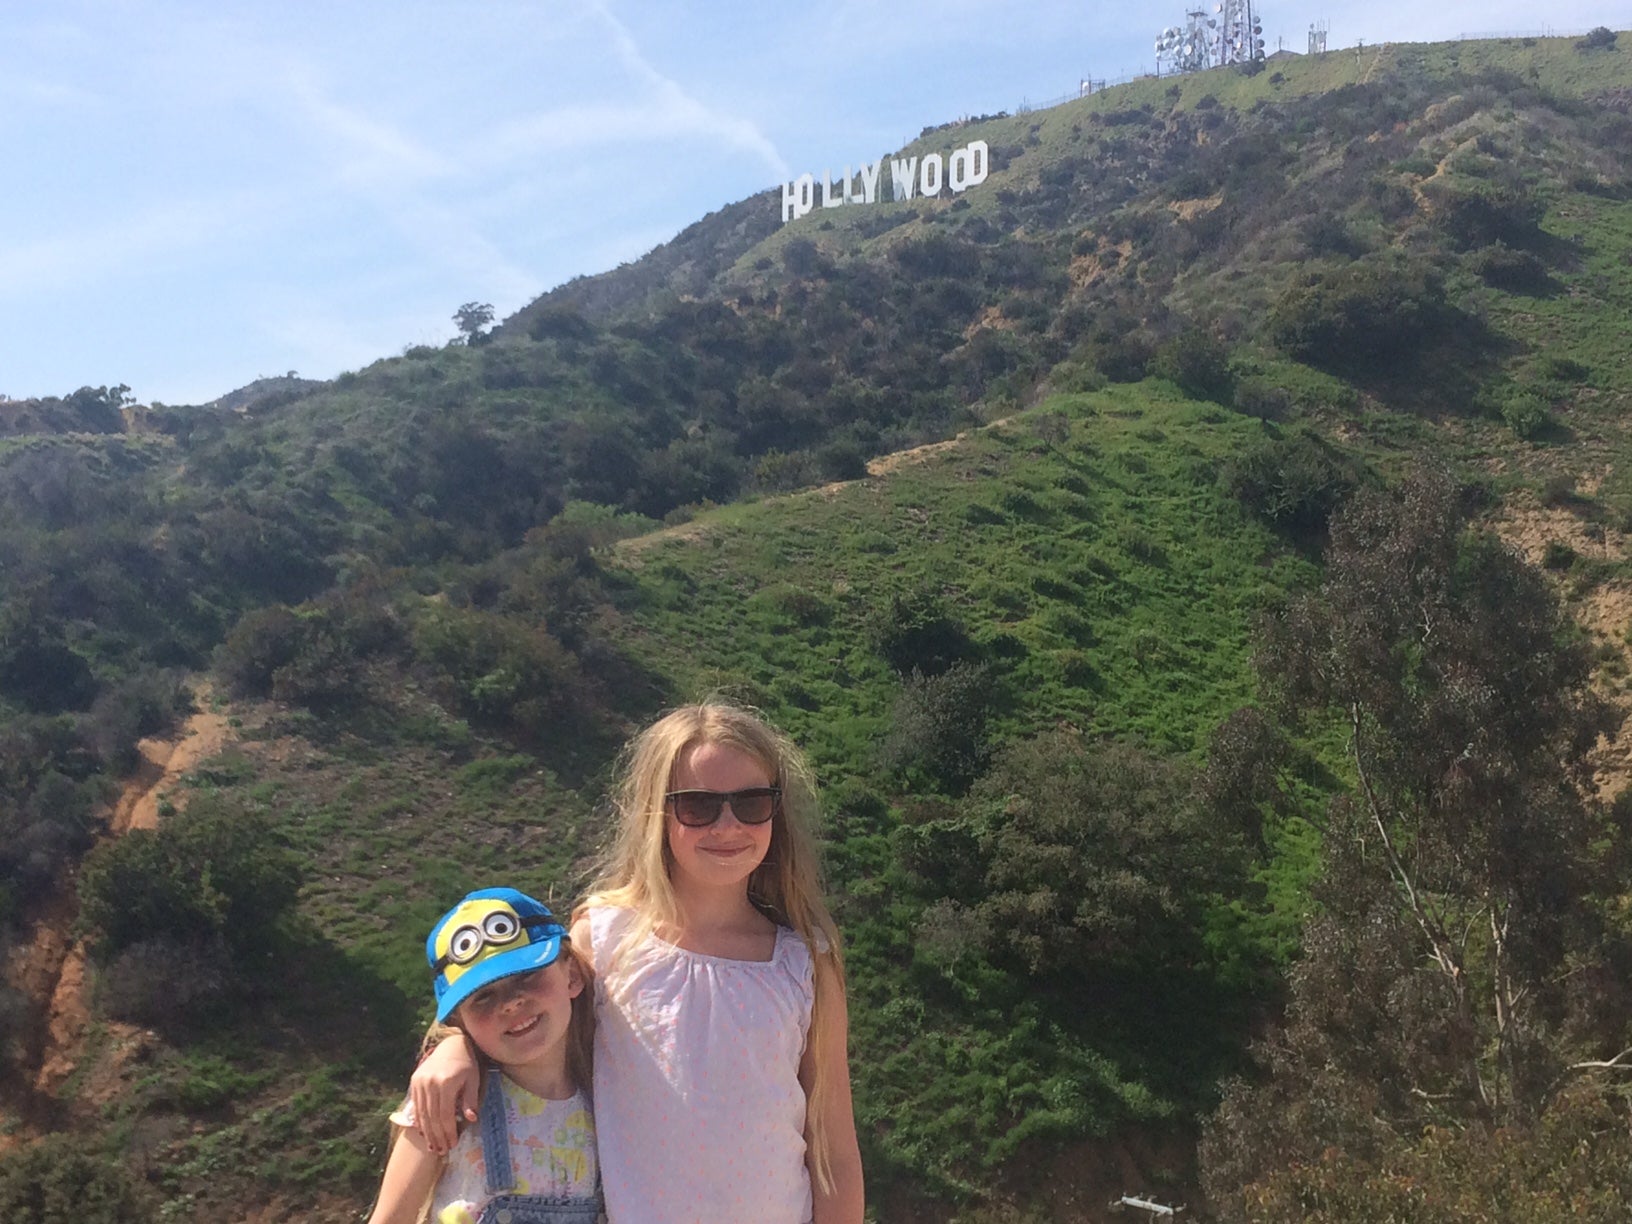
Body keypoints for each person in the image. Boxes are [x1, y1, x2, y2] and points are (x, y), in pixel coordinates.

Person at [412, 702, 865, 1223]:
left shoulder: (804, 963)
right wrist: (455, 1051)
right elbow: (523, 1014)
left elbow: (833, 1148)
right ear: (655, 813)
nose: (728, 825)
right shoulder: (603, 937)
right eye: (698, 806)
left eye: (751, 802)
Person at [369, 887, 602, 1224]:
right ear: (459, 1021)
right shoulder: (448, 1098)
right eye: (483, 997)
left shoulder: (605, 1095)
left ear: (572, 976)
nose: (510, 1003)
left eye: (526, 976)